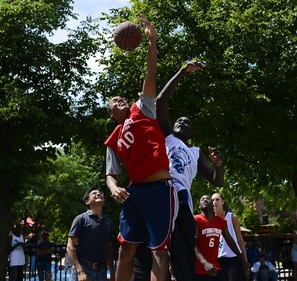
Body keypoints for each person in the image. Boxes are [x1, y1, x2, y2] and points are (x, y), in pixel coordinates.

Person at [104, 16, 177, 281]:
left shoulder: (142, 109)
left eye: (121, 97)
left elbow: (151, 73)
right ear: (112, 114)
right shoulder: (113, 138)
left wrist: (152, 41)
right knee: (126, 248)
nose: (120, 98)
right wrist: (113, 188)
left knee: (159, 250)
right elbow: (111, 173)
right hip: (134, 193)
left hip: (159, 188)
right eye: (114, 101)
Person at [155, 61, 224, 281]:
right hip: (167, 194)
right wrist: (181, 72)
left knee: (186, 252)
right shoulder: (168, 137)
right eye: (179, 120)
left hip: (184, 201)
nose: (182, 122)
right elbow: (160, 102)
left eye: (187, 122)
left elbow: (216, 181)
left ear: (191, 132)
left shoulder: (195, 152)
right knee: (170, 248)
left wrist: (218, 166)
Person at [194, 195, 249, 281]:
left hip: (215, 268)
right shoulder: (196, 220)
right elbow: (192, 244)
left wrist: (242, 259)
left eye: (207, 199)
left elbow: (230, 241)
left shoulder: (221, 222)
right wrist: (205, 263)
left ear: (212, 205)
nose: (204, 200)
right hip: (199, 269)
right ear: (199, 206)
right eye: (202, 199)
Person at [66, 187, 115, 281]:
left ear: (104, 201)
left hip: (102, 272)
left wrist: (112, 273)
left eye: (101, 193)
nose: (99, 194)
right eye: (94, 193)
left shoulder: (109, 223)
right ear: (87, 201)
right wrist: (80, 271)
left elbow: (109, 250)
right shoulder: (81, 219)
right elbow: (70, 247)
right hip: (83, 269)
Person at [212, 192, 248, 281]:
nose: (214, 202)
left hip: (233, 258)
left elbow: (240, 240)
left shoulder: (232, 217)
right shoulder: (210, 219)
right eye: (212, 200)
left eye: (217, 199)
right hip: (218, 260)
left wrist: (245, 259)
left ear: (223, 202)